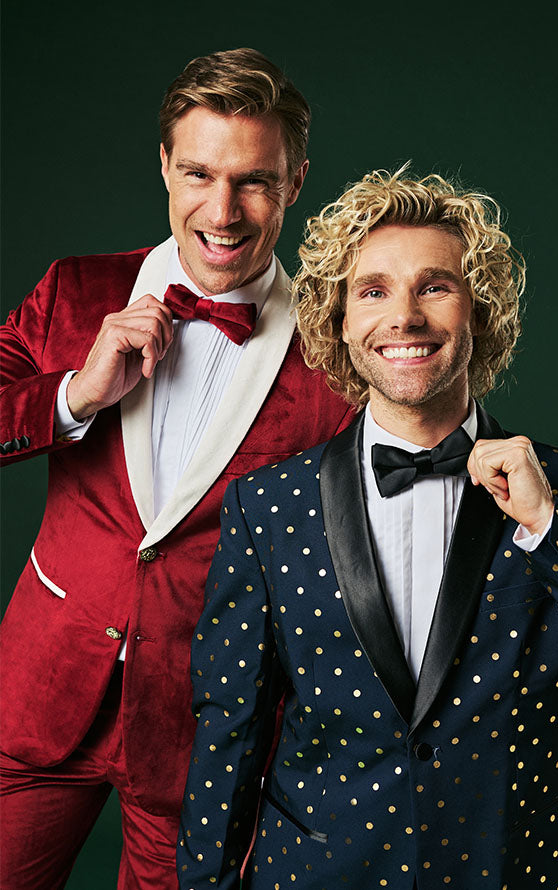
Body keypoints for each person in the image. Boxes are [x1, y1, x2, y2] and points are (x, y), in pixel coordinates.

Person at [177, 168, 558, 889]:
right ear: (339, 320)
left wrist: (548, 526)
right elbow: (229, 733)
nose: (403, 317)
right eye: (372, 291)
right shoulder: (266, 507)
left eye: (435, 286)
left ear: (482, 311)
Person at [0, 48, 354, 889]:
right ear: (164, 164)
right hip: (42, 691)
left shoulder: (334, 354)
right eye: (198, 171)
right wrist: (76, 395)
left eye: (255, 181)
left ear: (296, 181)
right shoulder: (77, 290)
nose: (222, 210)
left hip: (207, 739)